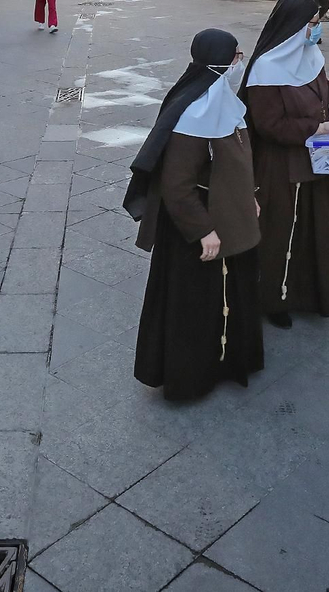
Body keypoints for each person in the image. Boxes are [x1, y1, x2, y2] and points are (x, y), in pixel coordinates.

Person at [125, 28, 264, 400]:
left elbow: (235, 161)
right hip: (196, 232)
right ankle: (193, 377)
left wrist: (247, 195)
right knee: (195, 307)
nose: (241, 63)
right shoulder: (194, 114)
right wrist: (203, 230)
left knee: (231, 298)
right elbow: (177, 185)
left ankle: (228, 361)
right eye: (237, 57)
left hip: (229, 218)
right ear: (221, 63)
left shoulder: (223, 103)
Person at [241, 0, 329, 328]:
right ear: (294, 27)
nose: (317, 30)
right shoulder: (266, 68)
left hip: (319, 164)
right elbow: (268, 125)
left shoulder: (310, 55)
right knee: (282, 234)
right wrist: (315, 127)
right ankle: (274, 300)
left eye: (318, 23)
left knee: (316, 232)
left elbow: (323, 94)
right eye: (312, 24)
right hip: (283, 170)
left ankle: (311, 293)